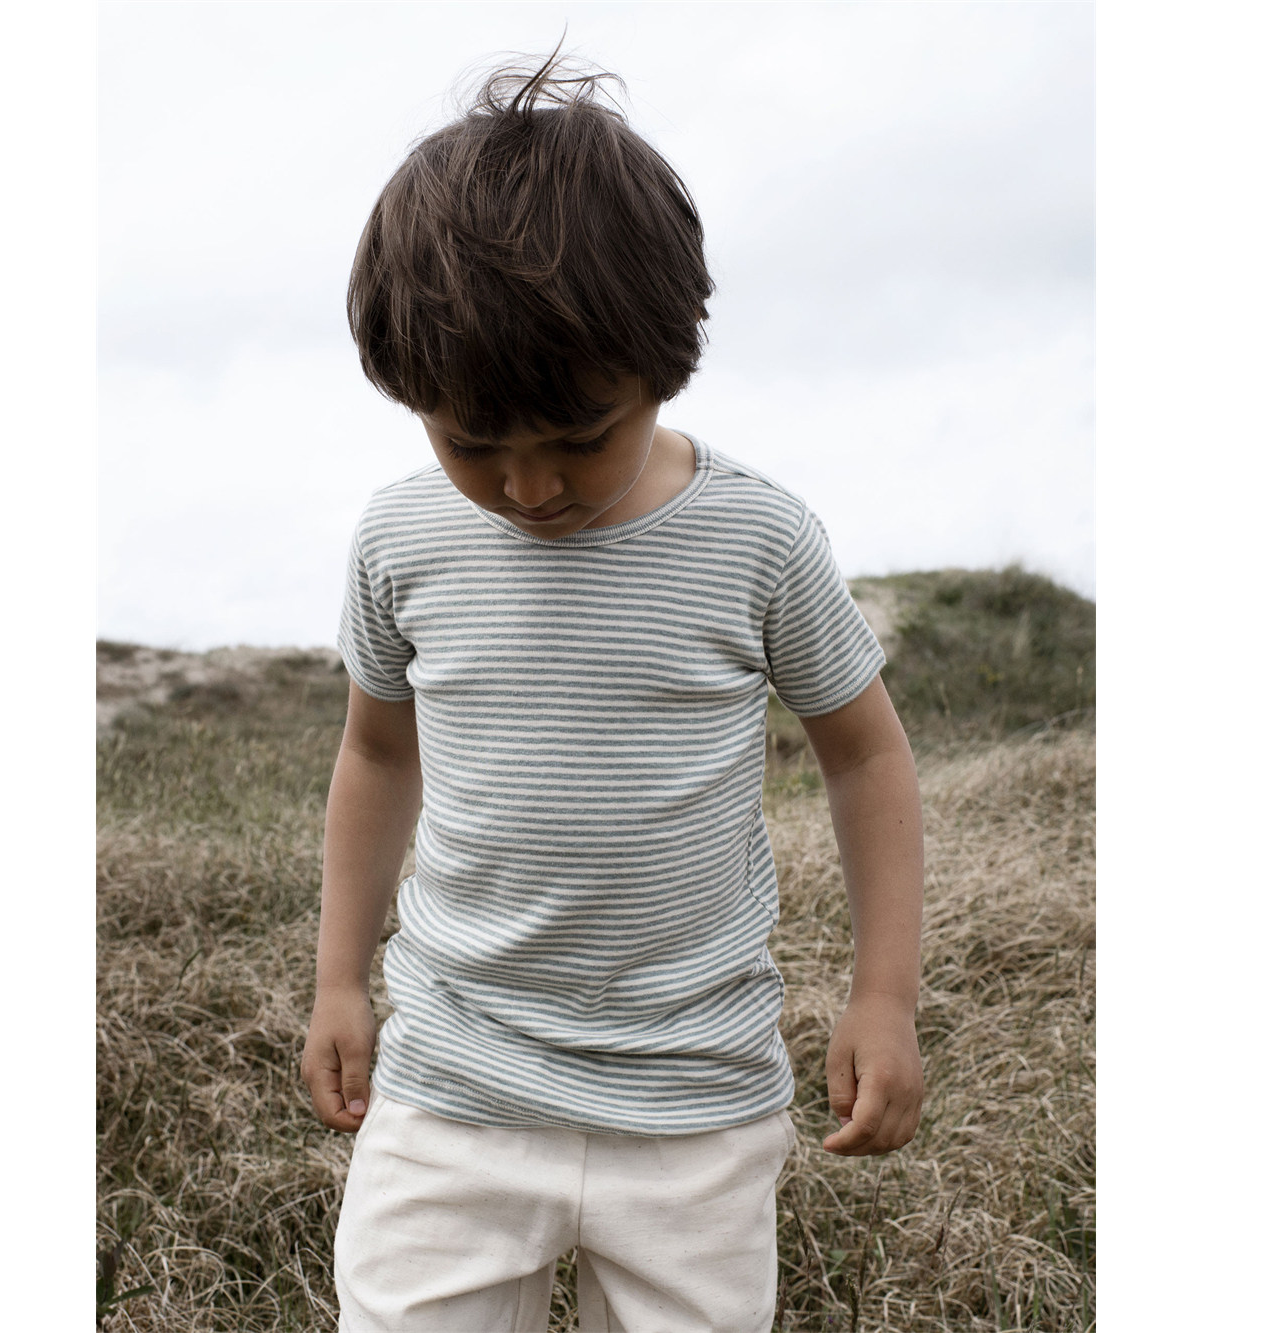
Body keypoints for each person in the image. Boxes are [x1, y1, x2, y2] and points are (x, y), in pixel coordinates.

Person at [301, 48, 924, 1333]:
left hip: (693, 1105)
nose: (530, 488)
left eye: (581, 436)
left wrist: (884, 995)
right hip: (453, 1084)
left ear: (667, 363)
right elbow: (376, 754)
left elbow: (865, 756)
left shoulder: (759, 540)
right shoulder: (399, 541)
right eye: (472, 442)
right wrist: (339, 978)